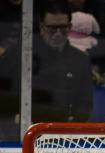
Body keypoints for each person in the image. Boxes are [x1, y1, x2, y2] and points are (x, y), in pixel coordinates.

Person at [0, 0, 93, 128]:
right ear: (42, 28)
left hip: (65, 134)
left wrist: (73, 125)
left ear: (70, 27)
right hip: (22, 132)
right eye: (53, 28)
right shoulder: (21, 55)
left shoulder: (81, 60)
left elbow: (85, 105)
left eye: (63, 27)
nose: (58, 33)